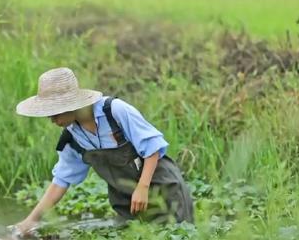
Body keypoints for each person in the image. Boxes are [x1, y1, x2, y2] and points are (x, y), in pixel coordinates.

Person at [14, 67, 194, 235]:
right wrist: (31, 221)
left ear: (70, 105)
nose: (51, 119)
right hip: (126, 202)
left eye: (54, 113)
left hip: (163, 189)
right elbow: (61, 180)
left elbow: (152, 148)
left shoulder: (114, 111)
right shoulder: (73, 135)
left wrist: (142, 187)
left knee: (175, 234)